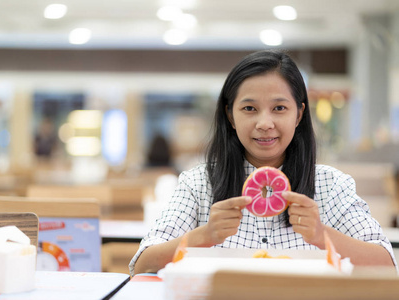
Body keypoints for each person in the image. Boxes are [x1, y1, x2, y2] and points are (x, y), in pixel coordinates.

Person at [129, 50, 396, 276]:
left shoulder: (331, 185)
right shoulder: (199, 183)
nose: (264, 123)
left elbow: (387, 264)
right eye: (249, 108)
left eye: (279, 108)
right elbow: (141, 265)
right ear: (230, 116)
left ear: (299, 114)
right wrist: (204, 235)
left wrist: (320, 234)